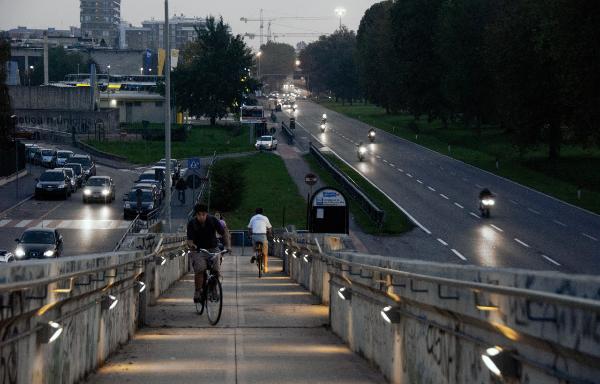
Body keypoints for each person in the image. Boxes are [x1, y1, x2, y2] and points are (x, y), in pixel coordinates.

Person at [187, 204, 231, 303]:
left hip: (213, 248)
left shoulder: (213, 220)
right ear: (196, 215)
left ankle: (214, 288)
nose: (201, 217)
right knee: (200, 268)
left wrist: (228, 246)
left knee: (216, 270)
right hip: (199, 250)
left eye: (203, 214)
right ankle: (198, 291)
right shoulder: (192, 223)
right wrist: (192, 246)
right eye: (199, 215)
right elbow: (189, 240)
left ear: (206, 214)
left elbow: (224, 233)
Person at [248, 208, 273, 273]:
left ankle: (253, 254)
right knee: (265, 253)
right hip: (263, 235)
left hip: (255, 235)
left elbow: (249, 228)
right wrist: (270, 235)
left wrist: (249, 235)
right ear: (262, 212)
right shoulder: (265, 218)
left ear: (255, 212)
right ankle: (265, 267)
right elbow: (269, 228)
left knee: (254, 245)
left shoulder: (253, 218)